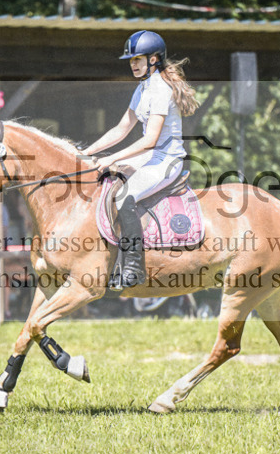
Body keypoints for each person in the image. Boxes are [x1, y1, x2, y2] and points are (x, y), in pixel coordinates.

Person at [80, 30, 199, 290]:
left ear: (154, 59)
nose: (133, 64)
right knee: (106, 185)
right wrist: (86, 154)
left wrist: (112, 157)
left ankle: (133, 267)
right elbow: (121, 129)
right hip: (150, 156)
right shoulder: (142, 88)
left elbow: (150, 140)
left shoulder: (160, 89)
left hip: (167, 159)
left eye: (138, 59)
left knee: (124, 197)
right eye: (131, 60)